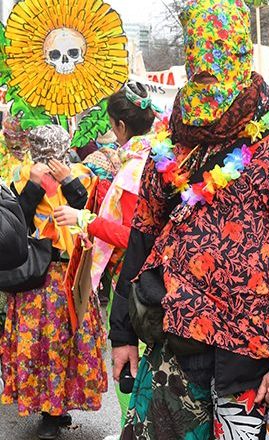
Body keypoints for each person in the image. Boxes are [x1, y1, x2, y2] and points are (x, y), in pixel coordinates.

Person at [110, 1, 269, 439]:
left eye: (219, 70)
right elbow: (141, 237)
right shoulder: (170, 147)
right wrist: (121, 330)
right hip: (176, 352)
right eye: (200, 71)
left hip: (257, 366)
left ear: (242, 60)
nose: (208, 84)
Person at [54, 82, 156, 431]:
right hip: (150, 278)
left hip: (134, 281)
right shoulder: (155, 157)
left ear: (120, 127)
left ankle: (134, 428)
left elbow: (134, 236)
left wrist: (85, 220)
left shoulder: (133, 171)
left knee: (129, 359)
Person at [0, 125, 107, 440]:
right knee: (41, 345)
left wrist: (69, 182)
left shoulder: (83, 175)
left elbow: (93, 212)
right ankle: (47, 407)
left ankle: (59, 405)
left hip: (73, 271)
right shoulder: (21, 176)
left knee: (69, 343)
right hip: (38, 275)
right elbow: (13, 225)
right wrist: (33, 185)